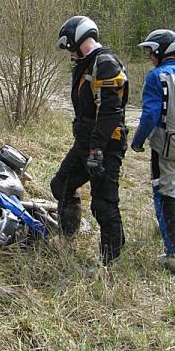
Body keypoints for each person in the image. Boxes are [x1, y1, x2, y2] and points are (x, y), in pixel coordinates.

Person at [50, 15, 128, 266]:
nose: (69, 53)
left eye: (69, 47)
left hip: (105, 147)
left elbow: (109, 113)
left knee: (104, 205)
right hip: (84, 145)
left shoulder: (105, 64)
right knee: (60, 185)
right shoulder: (86, 64)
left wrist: (96, 151)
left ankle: (110, 266)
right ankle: (67, 236)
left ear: (77, 39)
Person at [131, 29, 175, 274]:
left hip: (164, 146)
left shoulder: (157, 76)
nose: (149, 56)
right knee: (173, 187)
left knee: (164, 192)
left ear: (161, 51)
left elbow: (150, 115)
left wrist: (137, 141)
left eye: (151, 51)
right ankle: (165, 231)